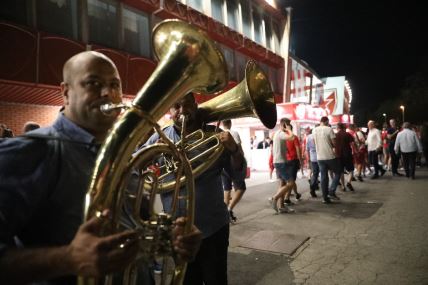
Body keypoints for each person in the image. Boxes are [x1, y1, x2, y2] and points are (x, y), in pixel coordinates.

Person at [0, 51, 201, 284]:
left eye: (114, 85)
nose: (108, 93)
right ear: (65, 92)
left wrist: (172, 238)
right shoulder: (31, 151)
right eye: (93, 83)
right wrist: (67, 259)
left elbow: (138, 224)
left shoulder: (121, 154)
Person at [145, 93, 245, 285]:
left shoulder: (215, 137)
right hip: (178, 232)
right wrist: (150, 155)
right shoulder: (159, 138)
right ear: (170, 111)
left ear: (196, 106)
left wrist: (234, 150)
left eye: (187, 105)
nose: (182, 111)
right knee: (188, 280)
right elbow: (136, 167)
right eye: (176, 106)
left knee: (216, 280)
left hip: (213, 227)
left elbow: (237, 176)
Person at [221, 119, 247, 223]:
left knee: (227, 189)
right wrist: (242, 159)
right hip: (233, 164)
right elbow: (239, 148)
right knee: (241, 188)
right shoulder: (234, 133)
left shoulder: (220, 134)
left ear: (223, 124)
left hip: (223, 166)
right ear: (230, 124)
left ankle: (223, 215)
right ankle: (229, 209)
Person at [269, 117, 295, 213]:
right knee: (291, 183)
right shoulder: (281, 133)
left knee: (282, 184)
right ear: (284, 124)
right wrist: (288, 130)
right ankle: (274, 198)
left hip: (278, 161)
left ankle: (281, 206)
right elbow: (292, 137)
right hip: (281, 162)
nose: (289, 126)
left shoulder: (276, 133)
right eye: (288, 124)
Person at [312, 116, 341, 204]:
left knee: (324, 177)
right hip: (330, 156)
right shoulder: (329, 129)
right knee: (338, 172)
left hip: (320, 157)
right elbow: (334, 143)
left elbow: (314, 142)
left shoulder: (314, 130)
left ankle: (325, 198)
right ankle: (332, 190)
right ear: (327, 122)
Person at [335, 123, 356, 191]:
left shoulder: (336, 135)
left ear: (338, 127)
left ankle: (343, 186)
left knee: (341, 171)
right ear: (344, 127)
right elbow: (352, 144)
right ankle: (349, 182)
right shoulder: (347, 134)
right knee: (351, 169)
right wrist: (355, 151)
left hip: (338, 155)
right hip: (347, 154)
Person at [306, 127, 319, 197]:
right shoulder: (318, 135)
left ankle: (313, 188)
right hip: (320, 157)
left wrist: (308, 158)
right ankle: (326, 192)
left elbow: (307, 149)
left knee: (315, 174)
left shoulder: (308, 137)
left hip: (313, 158)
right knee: (323, 174)